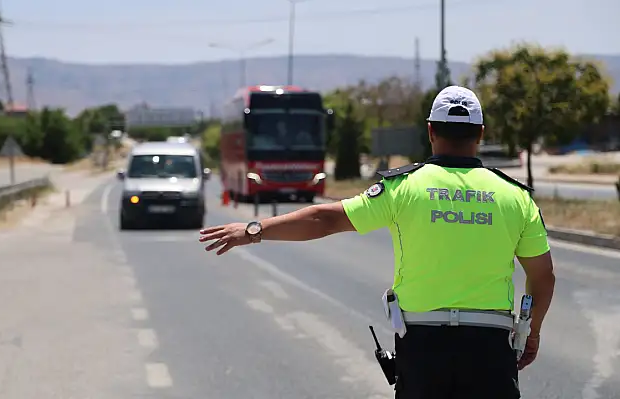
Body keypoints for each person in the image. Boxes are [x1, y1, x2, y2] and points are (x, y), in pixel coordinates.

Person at [198, 85, 556, 399]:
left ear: (430, 131)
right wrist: (532, 332)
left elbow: (325, 218)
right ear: (480, 133)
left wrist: (253, 230)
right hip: (491, 350)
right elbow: (542, 277)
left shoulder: (404, 188)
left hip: (422, 348)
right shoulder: (515, 197)